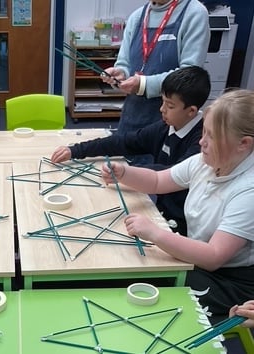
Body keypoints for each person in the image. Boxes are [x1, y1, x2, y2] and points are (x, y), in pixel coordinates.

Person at [101, 89, 254, 324]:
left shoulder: (248, 191)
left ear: (243, 144)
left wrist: (155, 233)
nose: (201, 141)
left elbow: (214, 256)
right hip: (201, 259)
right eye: (204, 131)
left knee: (154, 295)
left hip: (230, 280)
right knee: (139, 272)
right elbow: (158, 181)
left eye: (211, 136)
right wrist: (125, 173)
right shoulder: (208, 161)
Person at [51, 66, 210, 235]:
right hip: (160, 211)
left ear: (191, 111)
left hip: (184, 224)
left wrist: (126, 174)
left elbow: (171, 175)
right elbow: (124, 141)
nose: (161, 109)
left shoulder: (203, 142)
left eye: (170, 106)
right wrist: (75, 150)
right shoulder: (166, 126)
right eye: (162, 101)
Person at [101, 0, 209, 165]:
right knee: (120, 170)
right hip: (132, 113)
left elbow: (190, 74)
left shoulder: (193, 13)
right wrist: (120, 73)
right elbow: (124, 62)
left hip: (167, 120)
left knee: (153, 180)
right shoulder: (137, 16)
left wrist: (144, 84)